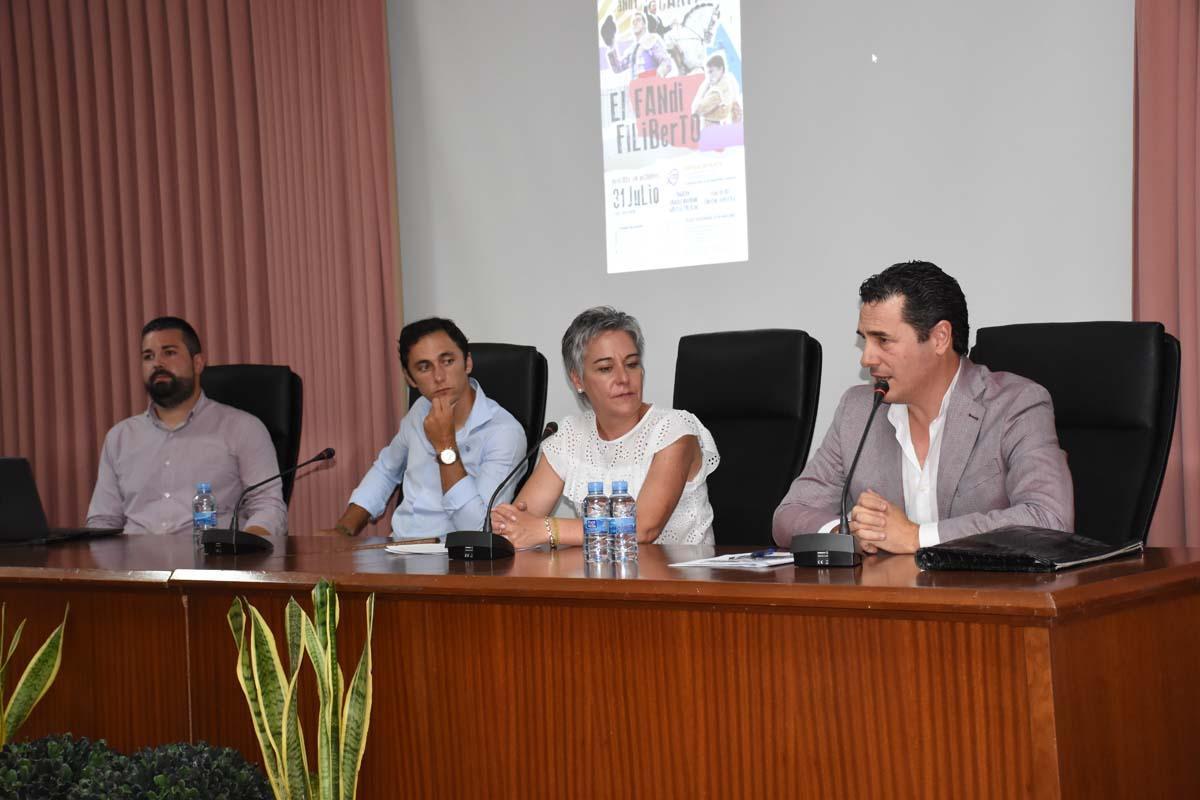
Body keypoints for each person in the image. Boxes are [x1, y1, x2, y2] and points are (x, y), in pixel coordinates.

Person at [772, 261, 1074, 554]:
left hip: (990, 600)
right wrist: (846, 533)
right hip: (890, 600)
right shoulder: (857, 410)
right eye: (865, 340)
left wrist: (918, 537)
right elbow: (789, 515)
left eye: (883, 340)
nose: (866, 358)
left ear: (940, 338)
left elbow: (1049, 519)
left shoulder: (1015, 405)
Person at [491, 307, 720, 547]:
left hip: (681, 580)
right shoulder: (569, 435)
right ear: (577, 379)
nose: (623, 378)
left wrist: (548, 529)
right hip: (604, 580)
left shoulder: (674, 429)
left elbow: (643, 528)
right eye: (605, 368)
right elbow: (520, 525)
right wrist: (510, 524)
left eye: (632, 364)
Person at [325, 317, 527, 540]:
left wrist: (445, 445)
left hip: (454, 560)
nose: (439, 377)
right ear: (410, 378)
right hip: (397, 550)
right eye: (424, 367)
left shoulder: (504, 433)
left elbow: (478, 529)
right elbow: (386, 469)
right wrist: (343, 530)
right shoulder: (421, 409)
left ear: (467, 363)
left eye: (448, 361)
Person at [87, 317, 287, 537]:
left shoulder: (243, 428)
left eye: (169, 352)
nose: (157, 363)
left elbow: (268, 506)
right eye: (148, 356)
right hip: (134, 566)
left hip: (213, 564)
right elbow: (103, 519)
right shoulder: (120, 437)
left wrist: (247, 549)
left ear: (198, 363)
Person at [602, 11, 675, 79]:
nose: (635, 23)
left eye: (638, 20)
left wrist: (659, 73)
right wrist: (611, 44)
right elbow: (618, 68)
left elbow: (666, 62)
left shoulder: (652, 39)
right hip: (636, 90)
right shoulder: (631, 50)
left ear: (644, 25)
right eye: (633, 22)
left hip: (651, 87)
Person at [690, 53, 742, 127]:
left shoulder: (719, 89)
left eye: (711, 71)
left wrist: (704, 86)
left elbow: (696, 110)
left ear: (721, 69)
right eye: (707, 73)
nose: (708, 76)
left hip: (715, 130)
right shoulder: (730, 80)